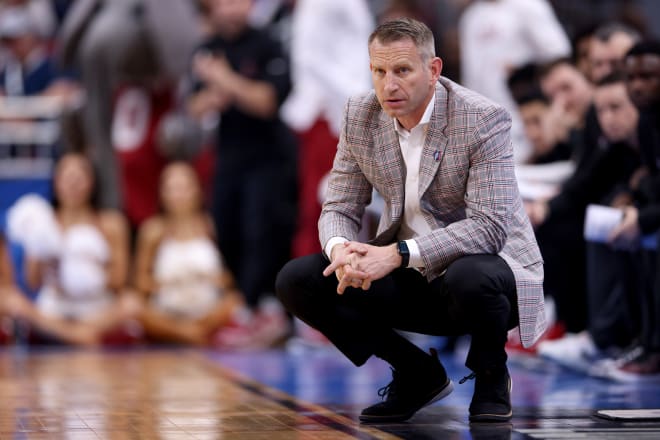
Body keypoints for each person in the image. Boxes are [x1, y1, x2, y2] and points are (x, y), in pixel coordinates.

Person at [276, 18, 544, 423]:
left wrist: (397, 254)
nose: (389, 85)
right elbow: (338, 207)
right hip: (411, 278)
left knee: (472, 275)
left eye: (402, 70)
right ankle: (417, 372)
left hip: (485, 281)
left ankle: (491, 373)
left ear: (433, 70)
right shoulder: (360, 114)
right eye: (379, 72)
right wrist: (342, 250)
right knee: (298, 280)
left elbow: (490, 227)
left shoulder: (482, 118)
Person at [187, 0, 296, 348]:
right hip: (228, 157)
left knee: (261, 230)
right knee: (224, 228)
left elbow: (266, 101)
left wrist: (224, 81)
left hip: (269, 157)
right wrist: (223, 92)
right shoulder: (206, 48)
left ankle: (262, 307)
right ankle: (246, 306)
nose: (231, 10)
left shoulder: (268, 44)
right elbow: (195, 105)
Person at [5, 152, 140, 346]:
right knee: (13, 301)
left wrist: (88, 274)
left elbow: (119, 280)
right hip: (54, 309)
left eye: (79, 178)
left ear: (91, 182)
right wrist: (42, 255)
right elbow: (31, 281)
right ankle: (76, 335)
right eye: (67, 178)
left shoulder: (110, 223)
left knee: (131, 303)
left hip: (97, 310)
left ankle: (74, 333)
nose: (73, 185)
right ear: (56, 182)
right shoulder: (43, 222)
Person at [133, 161, 243, 345]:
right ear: (162, 193)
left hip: (208, 312)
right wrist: (162, 284)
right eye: (172, 189)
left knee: (236, 302)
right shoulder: (153, 230)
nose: (179, 195)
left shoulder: (212, 227)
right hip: (167, 311)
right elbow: (140, 282)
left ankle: (193, 332)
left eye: (184, 188)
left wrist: (216, 279)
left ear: (198, 190)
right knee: (134, 307)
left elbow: (232, 280)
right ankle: (185, 333)